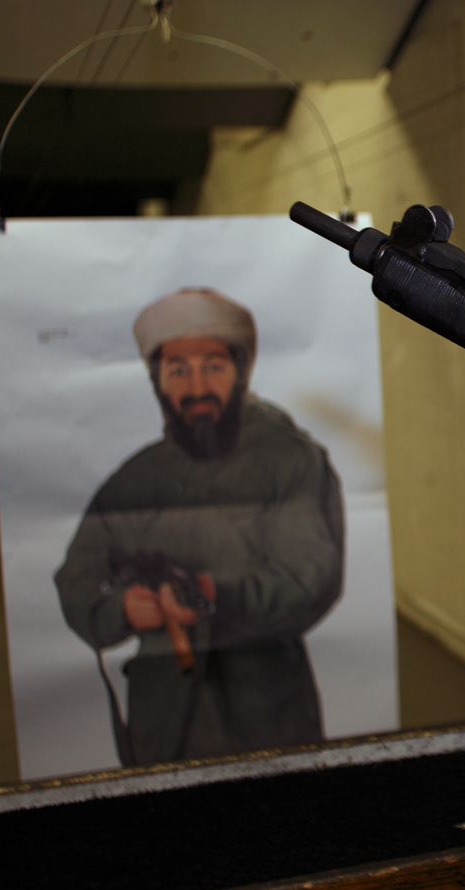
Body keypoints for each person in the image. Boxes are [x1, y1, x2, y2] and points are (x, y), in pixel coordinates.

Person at [56, 287, 344, 766]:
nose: (195, 387)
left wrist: (213, 593)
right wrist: (124, 607)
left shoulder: (290, 460)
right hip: (164, 717)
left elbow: (311, 577)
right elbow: (75, 579)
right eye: (177, 370)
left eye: (212, 366)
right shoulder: (133, 480)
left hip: (268, 712)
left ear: (240, 371)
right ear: (158, 382)